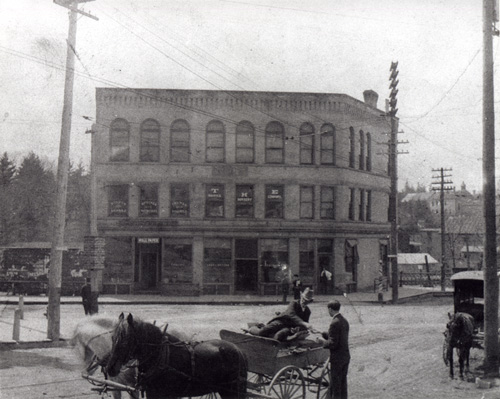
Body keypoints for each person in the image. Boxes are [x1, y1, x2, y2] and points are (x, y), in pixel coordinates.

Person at [247, 287, 314, 341]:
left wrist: (298, 328)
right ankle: (252, 328)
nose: (304, 302)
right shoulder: (294, 303)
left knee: (278, 337)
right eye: (303, 299)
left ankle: (273, 334)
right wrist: (304, 323)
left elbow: (304, 326)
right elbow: (291, 314)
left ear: (309, 302)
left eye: (306, 301)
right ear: (301, 296)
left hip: (289, 327)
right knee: (261, 333)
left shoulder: (307, 311)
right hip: (280, 322)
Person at [317, 300, 350, 399]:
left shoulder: (334, 323)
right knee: (342, 384)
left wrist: (321, 342)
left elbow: (332, 343)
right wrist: (323, 333)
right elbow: (338, 338)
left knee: (335, 386)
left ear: (330, 309)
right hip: (345, 357)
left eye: (328, 310)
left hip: (337, 359)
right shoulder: (344, 321)